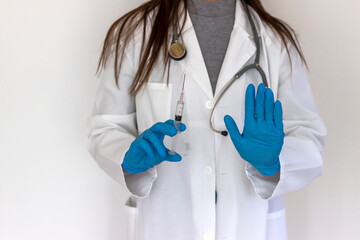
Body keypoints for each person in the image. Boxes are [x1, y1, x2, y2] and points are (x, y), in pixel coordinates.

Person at [86, 0, 327, 239]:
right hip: (164, 225)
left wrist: (273, 163)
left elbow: (309, 138)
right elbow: (105, 128)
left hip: (249, 226)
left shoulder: (276, 41)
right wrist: (127, 158)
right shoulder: (135, 33)